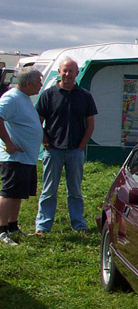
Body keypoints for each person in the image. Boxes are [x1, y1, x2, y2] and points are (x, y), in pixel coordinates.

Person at [35, 58, 98, 233]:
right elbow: (38, 122)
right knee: (48, 191)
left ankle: (78, 225)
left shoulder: (85, 96)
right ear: (59, 72)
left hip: (75, 151)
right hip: (53, 150)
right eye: (64, 70)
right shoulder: (49, 95)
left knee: (75, 191)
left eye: (71, 71)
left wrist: (81, 146)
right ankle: (43, 226)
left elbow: (90, 124)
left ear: (77, 73)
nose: (67, 74)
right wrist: (44, 142)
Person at [0, 69, 44, 245]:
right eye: (38, 82)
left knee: (18, 193)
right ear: (28, 83)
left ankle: (12, 226)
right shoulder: (11, 98)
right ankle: (2, 231)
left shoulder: (23, 98)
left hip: (25, 157)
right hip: (13, 157)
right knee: (9, 193)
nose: (41, 85)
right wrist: (9, 143)